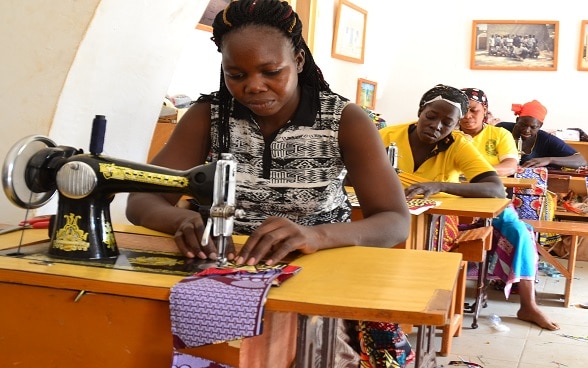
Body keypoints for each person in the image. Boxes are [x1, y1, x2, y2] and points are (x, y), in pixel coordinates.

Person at [126, 1, 411, 366]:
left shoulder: (345, 120)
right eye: (236, 75)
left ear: (299, 62)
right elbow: (141, 200)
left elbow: (394, 220)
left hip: (317, 276)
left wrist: (316, 236)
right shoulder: (208, 117)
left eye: (271, 71)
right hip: (223, 272)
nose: (253, 87)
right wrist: (181, 221)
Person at [379, 84, 560, 331]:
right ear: (420, 111)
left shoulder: (462, 143)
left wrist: (439, 185)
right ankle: (382, 305)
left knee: (516, 229)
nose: (436, 126)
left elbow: (497, 186)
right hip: (393, 210)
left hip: (440, 214)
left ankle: (406, 311)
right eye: (430, 117)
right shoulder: (387, 136)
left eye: (448, 122)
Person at [458, 87, 559, 331]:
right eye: (462, 110)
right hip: (452, 201)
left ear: (485, 112)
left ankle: (528, 305)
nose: (468, 116)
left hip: (491, 201)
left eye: (474, 110)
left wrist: (471, 172)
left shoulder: (498, 135)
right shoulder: (448, 134)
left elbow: (511, 165)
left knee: (521, 233)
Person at [496, 100, 587, 169]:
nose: (527, 130)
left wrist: (549, 160)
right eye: (523, 125)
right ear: (517, 120)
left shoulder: (545, 139)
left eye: (533, 127)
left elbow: (581, 160)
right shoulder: (502, 129)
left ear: (540, 126)